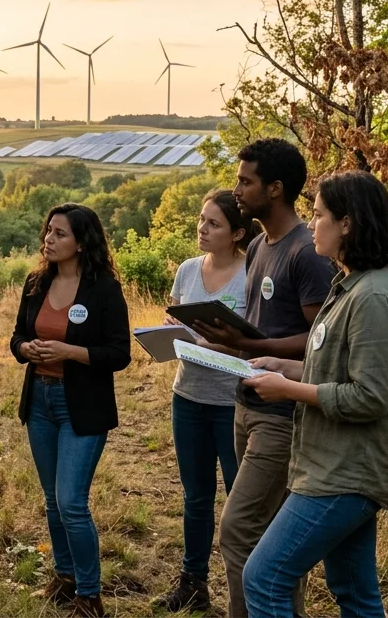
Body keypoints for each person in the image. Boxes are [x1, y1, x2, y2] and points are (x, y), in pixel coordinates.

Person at [240, 170, 388, 618]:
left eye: (319, 215)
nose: (311, 224)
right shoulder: (351, 286)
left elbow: (370, 396)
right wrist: (285, 368)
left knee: (264, 577)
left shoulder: (373, 297)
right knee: (354, 591)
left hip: (345, 474)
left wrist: (289, 390)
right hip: (335, 466)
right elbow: (339, 372)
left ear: (347, 224)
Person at [195, 138, 336, 618]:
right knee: (270, 537)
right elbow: (260, 331)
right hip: (246, 404)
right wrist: (223, 340)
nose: (236, 190)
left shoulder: (306, 252)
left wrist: (249, 344)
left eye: (245, 181)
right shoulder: (257, 245)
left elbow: (321, 340)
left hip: (283, 413)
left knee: (238, 531)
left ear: (275, 189)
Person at [10, 204, 131, 618]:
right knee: (52, 500)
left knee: (71, 503)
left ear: (81, 242)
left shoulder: (104, 289)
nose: (49, 239)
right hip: (39, 401)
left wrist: (69, 351)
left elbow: (119, 353)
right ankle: (64, 577)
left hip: (81, 406)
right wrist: (26, 348)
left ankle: (89, 596)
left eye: (59, 233)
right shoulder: (36, 283)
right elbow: (17, 337)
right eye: (48, 230)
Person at [153, 190, 261, 613]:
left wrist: (211, 343)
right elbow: (177, 322)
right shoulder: (187, 270)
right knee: (196, 496)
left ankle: (247, 592)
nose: (202, 228)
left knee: (240, 500)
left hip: (233, 402)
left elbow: (257, 341)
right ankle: (193, 583)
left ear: (237, 234)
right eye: (201, 219)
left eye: (214, 223)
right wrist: (169, 332)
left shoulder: (252, 273)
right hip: (188, 396)